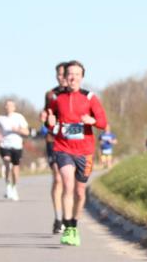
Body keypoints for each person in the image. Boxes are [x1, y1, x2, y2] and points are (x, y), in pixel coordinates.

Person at [47, 60, 107, 246]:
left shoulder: (90, 98)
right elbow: (51, 121)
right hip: (63, 147)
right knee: (67, 183)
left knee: (80, 192)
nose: (72, 77)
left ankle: (74, 225)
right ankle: (67, 227)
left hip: (85, 150)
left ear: (82, 77)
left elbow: (103, 122)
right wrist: (49, 121)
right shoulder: (56, 98)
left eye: (76, 74)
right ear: (65, 77)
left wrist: (91, 120)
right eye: (69, 74)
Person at [42, 63, 69, 233]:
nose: (61, 77)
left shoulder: (78, 94)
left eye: (63, 74)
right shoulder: (50, 94)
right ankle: (58, 219)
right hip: (54, 140)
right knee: (58, 178)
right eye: (58, 74)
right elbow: (47, 116)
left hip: (72, 142)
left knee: (70, 182)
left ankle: (69, 218)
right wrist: (45, 118)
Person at [0, 99, 30, 201]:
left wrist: (17, 130)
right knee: (6, 161)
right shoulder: (0, 118)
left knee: (15, 168)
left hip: (17, 145)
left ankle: (14, 187)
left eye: (10, 105)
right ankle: (8, 186)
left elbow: (27, 132)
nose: (8, 107)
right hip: (5, 144)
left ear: (14, 107)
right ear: (4, 107)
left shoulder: (19, 117)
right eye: (7, 105)